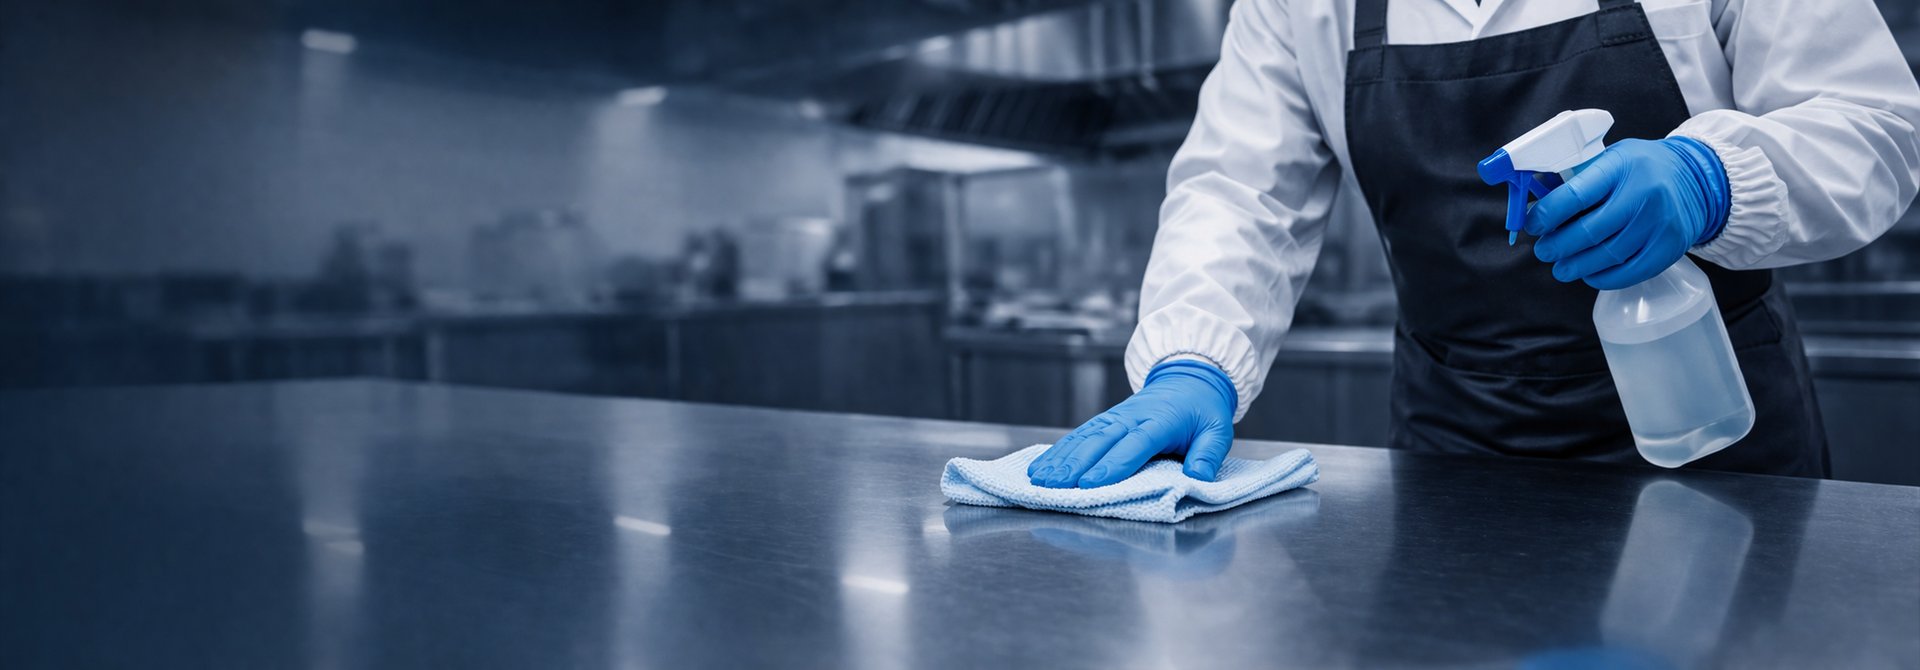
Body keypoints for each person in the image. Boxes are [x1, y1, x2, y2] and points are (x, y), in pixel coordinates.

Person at [1027, 0, 1920, 488]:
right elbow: (1239, 190)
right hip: (1457, 455)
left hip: (1719, 436)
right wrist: (1193, 363)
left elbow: (1876, 125)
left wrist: (1708, 179)